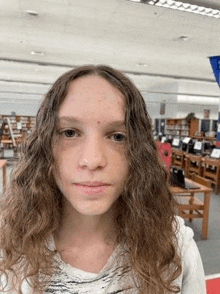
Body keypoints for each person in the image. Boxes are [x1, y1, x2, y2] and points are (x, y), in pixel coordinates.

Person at [0, 65, 206, 294]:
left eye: (118, 136)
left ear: (139, 152)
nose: (92, 160)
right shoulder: (7, 247)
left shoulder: (174, 245)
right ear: (44, 145)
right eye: (69, 133)